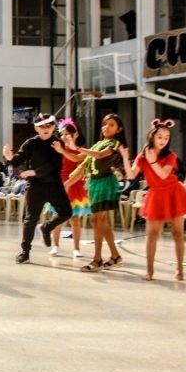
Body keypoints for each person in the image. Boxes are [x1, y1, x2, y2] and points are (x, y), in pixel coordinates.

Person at [116, 119, 186, 281]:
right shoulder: (143, 156)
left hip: (173, 192)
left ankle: (180, 269)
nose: (163, 140)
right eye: (160, 136)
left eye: (166, 137)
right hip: (156, 195)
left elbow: (164, 174)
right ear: (152, 137)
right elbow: (131, 175)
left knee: (177, 233)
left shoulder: (170, 155)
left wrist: (152, 161)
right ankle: (149, 271)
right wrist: (125, 158)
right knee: (152, 234)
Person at [3, 113, 72, 264]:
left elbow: (54, 164)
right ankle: (25, 251)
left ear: (54, 127)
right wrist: (9, 158)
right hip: (36, 186)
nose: (45, 129)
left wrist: (35, 171)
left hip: (54, 184)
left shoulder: (58, 143)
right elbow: (18, 159)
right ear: (36, 128)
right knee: (30, 220)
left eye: (49, 126)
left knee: (67, 212)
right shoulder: (30, 143)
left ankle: (47, 227)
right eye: (41, 126)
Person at [61, 112, 126, 272]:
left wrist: (76, 147)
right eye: (105, 123)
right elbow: (79, 161)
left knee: (98, 221)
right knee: (102, 223)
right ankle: (115, 256)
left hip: (105, 183)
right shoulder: (98, 143)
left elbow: (98, 156)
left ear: (119, 129)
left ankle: (97, 259)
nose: (106, 127)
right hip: (95, 183)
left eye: (111, 124)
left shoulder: (115, 144)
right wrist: (68, 182)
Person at [52, 119, 90, 258]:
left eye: (67, 134)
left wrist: (62, 150)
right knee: (58, 217)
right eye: (62, 134)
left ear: (75, 135)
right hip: (59, 183)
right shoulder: (58, 148)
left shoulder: (83, 150)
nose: (64, 137)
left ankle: (76, 248)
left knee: (74, 219)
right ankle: (55, 246)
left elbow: (75, 159)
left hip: (74, 184)